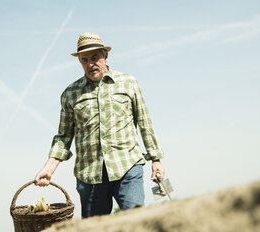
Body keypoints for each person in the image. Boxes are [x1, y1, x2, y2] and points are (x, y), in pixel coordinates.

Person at [35, 32, 165, 218]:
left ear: (105, 56)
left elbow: (145, 123)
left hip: (127, 166)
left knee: (136, 222)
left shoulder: (128, 83)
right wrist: (48, 169)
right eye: (84, 60)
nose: (90, 64)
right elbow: (64, 137)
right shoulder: (70, 94)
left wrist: (156, 160)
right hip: (89, 176)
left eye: (95, 58)